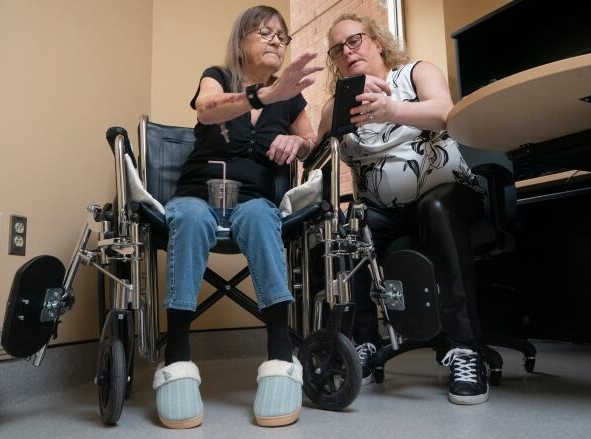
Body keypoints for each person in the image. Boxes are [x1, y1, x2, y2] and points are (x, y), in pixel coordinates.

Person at [153, 5, 323, 429]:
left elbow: (310, 139)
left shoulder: (292, 98)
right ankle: (177, 358)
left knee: (264, 218)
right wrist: (265, 94)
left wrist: (295, 143)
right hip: (197, 194)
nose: (275, 42)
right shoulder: (218, 76)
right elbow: (207, 110)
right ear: (241, 41)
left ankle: (281, 356)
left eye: (281, 37)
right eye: (265, 33)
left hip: (253, 201)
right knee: (189, 218)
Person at [317, 14, 489, 405]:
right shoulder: (340, 103)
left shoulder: (415, 74)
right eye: (338, 49)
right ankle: (361, 343)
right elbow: (319, 146)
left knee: (436, 208)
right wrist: (334, 111)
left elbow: (445, 112)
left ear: (377, 42)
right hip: (384, 212)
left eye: (355, 40)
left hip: (447, 197)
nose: (348, 51)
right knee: (347, 231)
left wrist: (391, 110)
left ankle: (466, 350)